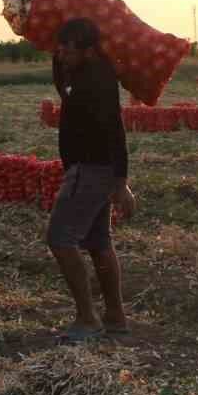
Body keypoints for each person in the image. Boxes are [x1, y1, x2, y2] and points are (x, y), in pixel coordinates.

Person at [47, 18, 136, 341]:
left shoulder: (97, 78)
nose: (62, 52)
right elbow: (65, 91)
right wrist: (59, 64)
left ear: (87, 50)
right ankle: (115, 316)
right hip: (93, 170)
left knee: (60, 238)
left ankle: (88, 318)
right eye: (60, 46)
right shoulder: (83, 73)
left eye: (68, 48)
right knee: (98, 243)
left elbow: (115, 129)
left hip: (89, 170)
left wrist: (121, 180)